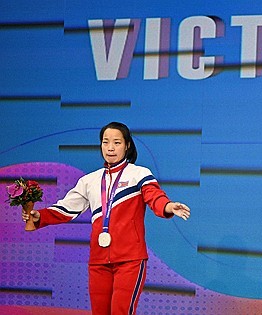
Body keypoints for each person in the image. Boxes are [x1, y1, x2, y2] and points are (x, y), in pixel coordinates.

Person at [22, 121, 191, 315]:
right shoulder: (90, 180)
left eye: (117, 142)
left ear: (127, 145)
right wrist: (38, 216)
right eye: (105, 142)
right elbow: (66, 208)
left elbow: (154, 196)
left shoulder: (139, 174)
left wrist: (168, 206)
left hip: (130, 260)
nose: (110, 148)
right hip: (98, 261)